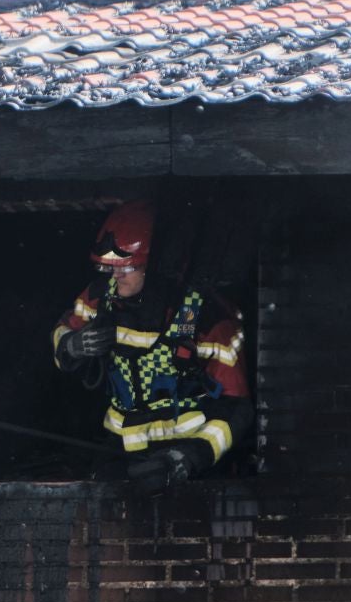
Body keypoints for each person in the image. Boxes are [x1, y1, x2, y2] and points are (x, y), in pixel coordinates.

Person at [51, 200, 253, 490]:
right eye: (108, 268)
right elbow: (61, 332)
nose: (114, 276)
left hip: (187, 459)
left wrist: (190, 457)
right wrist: (72, 346)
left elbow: (238, 410)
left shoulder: (207, 318)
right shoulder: (99, 299)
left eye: (127, 267)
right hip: (120, 452)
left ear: (155, 265)